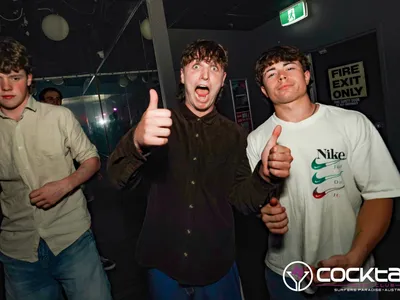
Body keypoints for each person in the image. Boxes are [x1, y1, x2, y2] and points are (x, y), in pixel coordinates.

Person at [107, 39, 293, 299]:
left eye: (214, 68)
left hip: (217, 268)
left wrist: (264, 175)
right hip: (163, 265)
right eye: (196, 66)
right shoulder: (159, 126)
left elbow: (242, 201)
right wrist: (136, 142)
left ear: (223, 79)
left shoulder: (236, 136)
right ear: (182, 76)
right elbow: (116, 179)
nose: (205, 74)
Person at [247, 45, 400, 299]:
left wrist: (356, 256)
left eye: (289, 67)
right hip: (286, 275)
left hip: (351, 275)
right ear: (264, 90)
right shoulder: (256, 140)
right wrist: (264, 213)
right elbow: (256, 203)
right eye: (271, 73)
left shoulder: (352, 123)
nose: (281, 76)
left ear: (307, 76)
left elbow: (379, 194)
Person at [0, 37, 113, 299]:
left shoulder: (58, 117)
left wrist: (64, 185)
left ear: (28, 78)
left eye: (14, 77)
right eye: (0, 77)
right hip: (18, 252)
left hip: (72, 239)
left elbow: (91, 159)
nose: (6, 86)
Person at [38, 86, 117, 272]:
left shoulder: (65, 120)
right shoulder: (33, 126)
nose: (54, 102)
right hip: (43, 196)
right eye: (49, 99)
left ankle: (93, 256)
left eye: (57, 99)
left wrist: (88, 170)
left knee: (83, 220)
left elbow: (84, 155)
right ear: (41, 102)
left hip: (74, 187)